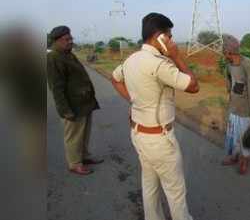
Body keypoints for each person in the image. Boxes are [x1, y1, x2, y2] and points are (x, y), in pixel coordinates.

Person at [111, 13, 199, 220]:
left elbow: (115, 79)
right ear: (160, 36)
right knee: (175, 193)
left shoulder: (131, 59)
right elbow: (194, 86)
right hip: (160, 141)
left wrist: (134, 101)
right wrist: (176, 56)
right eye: (170, 36)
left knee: (149, 186)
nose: (172, 41)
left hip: (139, 134)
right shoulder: (160, 64)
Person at [47, 26, 103, 175]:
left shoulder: (67, 54)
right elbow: (56, 88)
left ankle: (84, 157)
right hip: (72, 106)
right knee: (73, 136)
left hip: (84, 103)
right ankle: (75, 163)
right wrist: (65, 110)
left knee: (84, 133)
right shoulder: (53, 57)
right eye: (67, 39)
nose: (71, 41)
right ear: (57, 41)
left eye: (71, 38)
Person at [221, 34, 250, 175]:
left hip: (246, 111)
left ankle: (244, 162)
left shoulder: (248, 64)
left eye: (224, 52)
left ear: (229, 52)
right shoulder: (229, 66)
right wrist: (230, 90)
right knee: (234, 135)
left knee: (245, 137)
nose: (223, 54)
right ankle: (235, 157)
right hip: (234, 108)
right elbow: (229, 80)